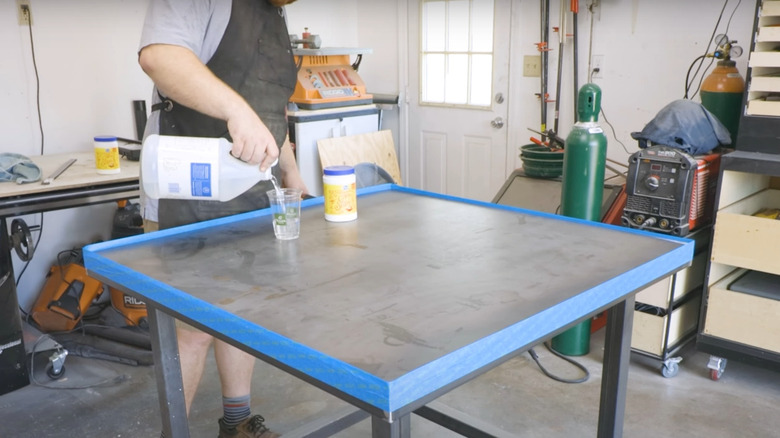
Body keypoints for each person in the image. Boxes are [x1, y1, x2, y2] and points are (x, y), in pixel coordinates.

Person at [137, 0, 305, 437]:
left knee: (242, 311)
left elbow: (270, 109)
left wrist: (290, 168)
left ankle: (238, 423)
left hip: (251, 189)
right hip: (186, 189)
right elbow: (160, 56)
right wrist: (237, 111)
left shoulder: (276, 13)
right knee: (192, 328)